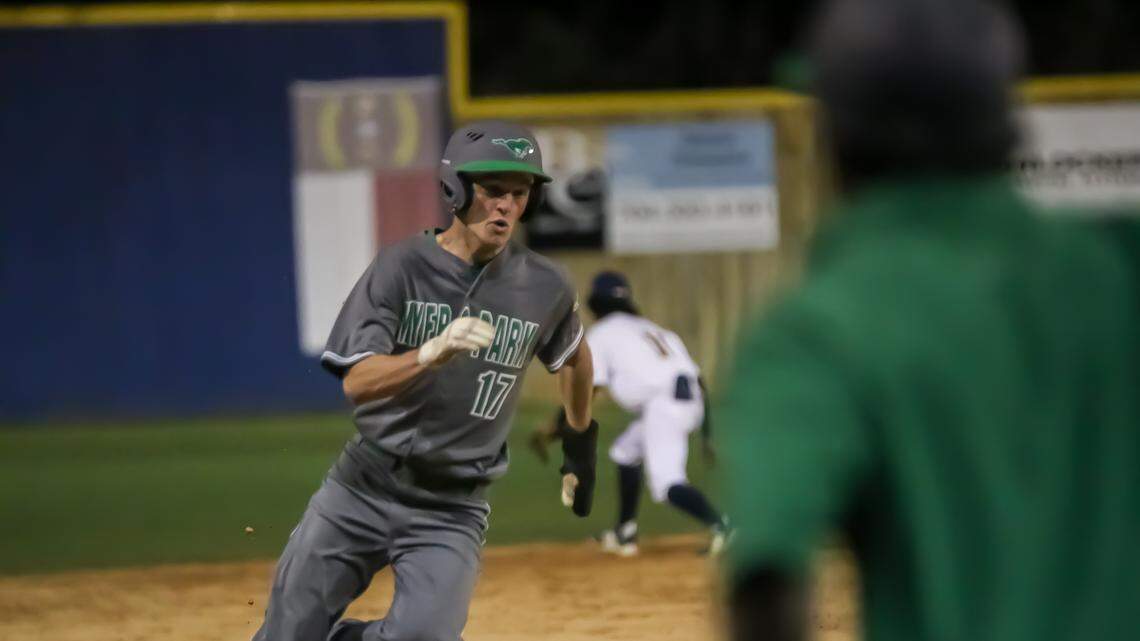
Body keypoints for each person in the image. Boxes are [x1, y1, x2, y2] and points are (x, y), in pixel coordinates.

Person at [721, 2, 1140, 641]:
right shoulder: (1117, 269)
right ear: (1006, 116)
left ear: (835, 134)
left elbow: (768, 576)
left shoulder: (816, 332)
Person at [252, 120, 599, 641]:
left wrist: (580, 443)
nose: (505, 206)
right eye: (492, 191)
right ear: (455, 189)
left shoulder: (543, 285)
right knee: (287, 633)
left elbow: (574, 358)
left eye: (519, 194)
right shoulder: (400, 267)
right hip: (362, 487)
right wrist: (428, 354)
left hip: (452, 508)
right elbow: (357, 381)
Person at [531, 271, 729, 556]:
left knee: (666, 483)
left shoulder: (601, 335)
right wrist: (707, 434)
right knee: (624, 451)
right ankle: (626, 532)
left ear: (595, 303)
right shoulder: (657, 330)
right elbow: (698, 380)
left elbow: (586, 391)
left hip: (664, 408)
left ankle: (725, 526)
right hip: (686, 403)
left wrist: (554, 428)